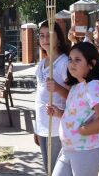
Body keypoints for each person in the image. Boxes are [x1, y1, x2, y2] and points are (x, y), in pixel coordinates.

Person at [47, 42, 99, 176]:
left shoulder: (94, 86)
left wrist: (82, 130)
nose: (72, 63)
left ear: (91, 64)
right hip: (69, 149)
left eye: (78, 60)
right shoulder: (76, 86)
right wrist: (59, 114)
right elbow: (76, 114)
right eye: (70, 59)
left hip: (87, 150)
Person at [34, 21, 70, 175]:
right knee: (48, 169)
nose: (45, 39)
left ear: (59, 39)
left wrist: (57, 88)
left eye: (49, 35)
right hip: (43, 125)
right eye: (42, 36)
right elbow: (39, 97)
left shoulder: (64, 63)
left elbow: (74, 97)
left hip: (56, 126)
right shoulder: (42, 63)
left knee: (57, 170)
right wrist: (36, 128)